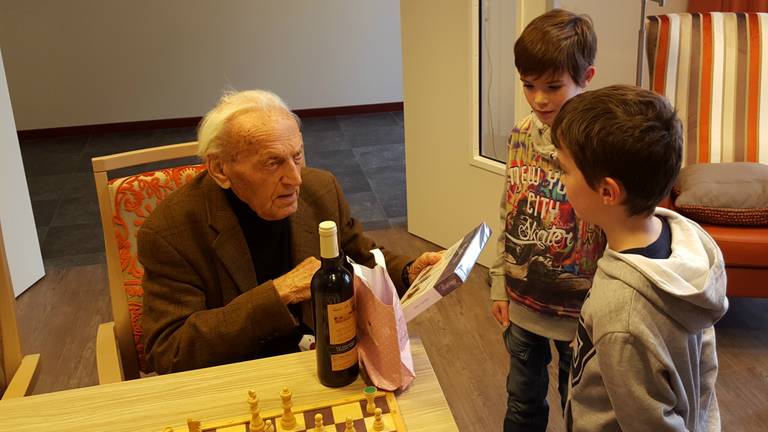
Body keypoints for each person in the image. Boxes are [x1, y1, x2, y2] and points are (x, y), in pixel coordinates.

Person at [138, 89, 441, 374]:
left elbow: (360, 255)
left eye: (297, 156)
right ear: (220, 169)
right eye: (273, 163)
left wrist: (408, 272)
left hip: (320, 360)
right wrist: (279, 293)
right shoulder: (170, 231)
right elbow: (169, 351)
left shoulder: (320, 189)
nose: (295, 179)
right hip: (237, 374)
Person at [552, 85, 728, 431]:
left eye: (565, 170)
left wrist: (609, 338)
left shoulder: (622, 315)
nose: (561, 182)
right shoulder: (683, 247)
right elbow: (704, 368)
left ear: (607, 191)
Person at [487, 9, 605, 431]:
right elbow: (509, 210)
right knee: (522, 405)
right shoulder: (521, 134)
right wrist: (499, 280)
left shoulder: (601, 146)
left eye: (553, 86)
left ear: (586, 76)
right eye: (529, 86)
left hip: (581, 315)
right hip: (523, 307)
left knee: (578, 409)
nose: (539, 100)